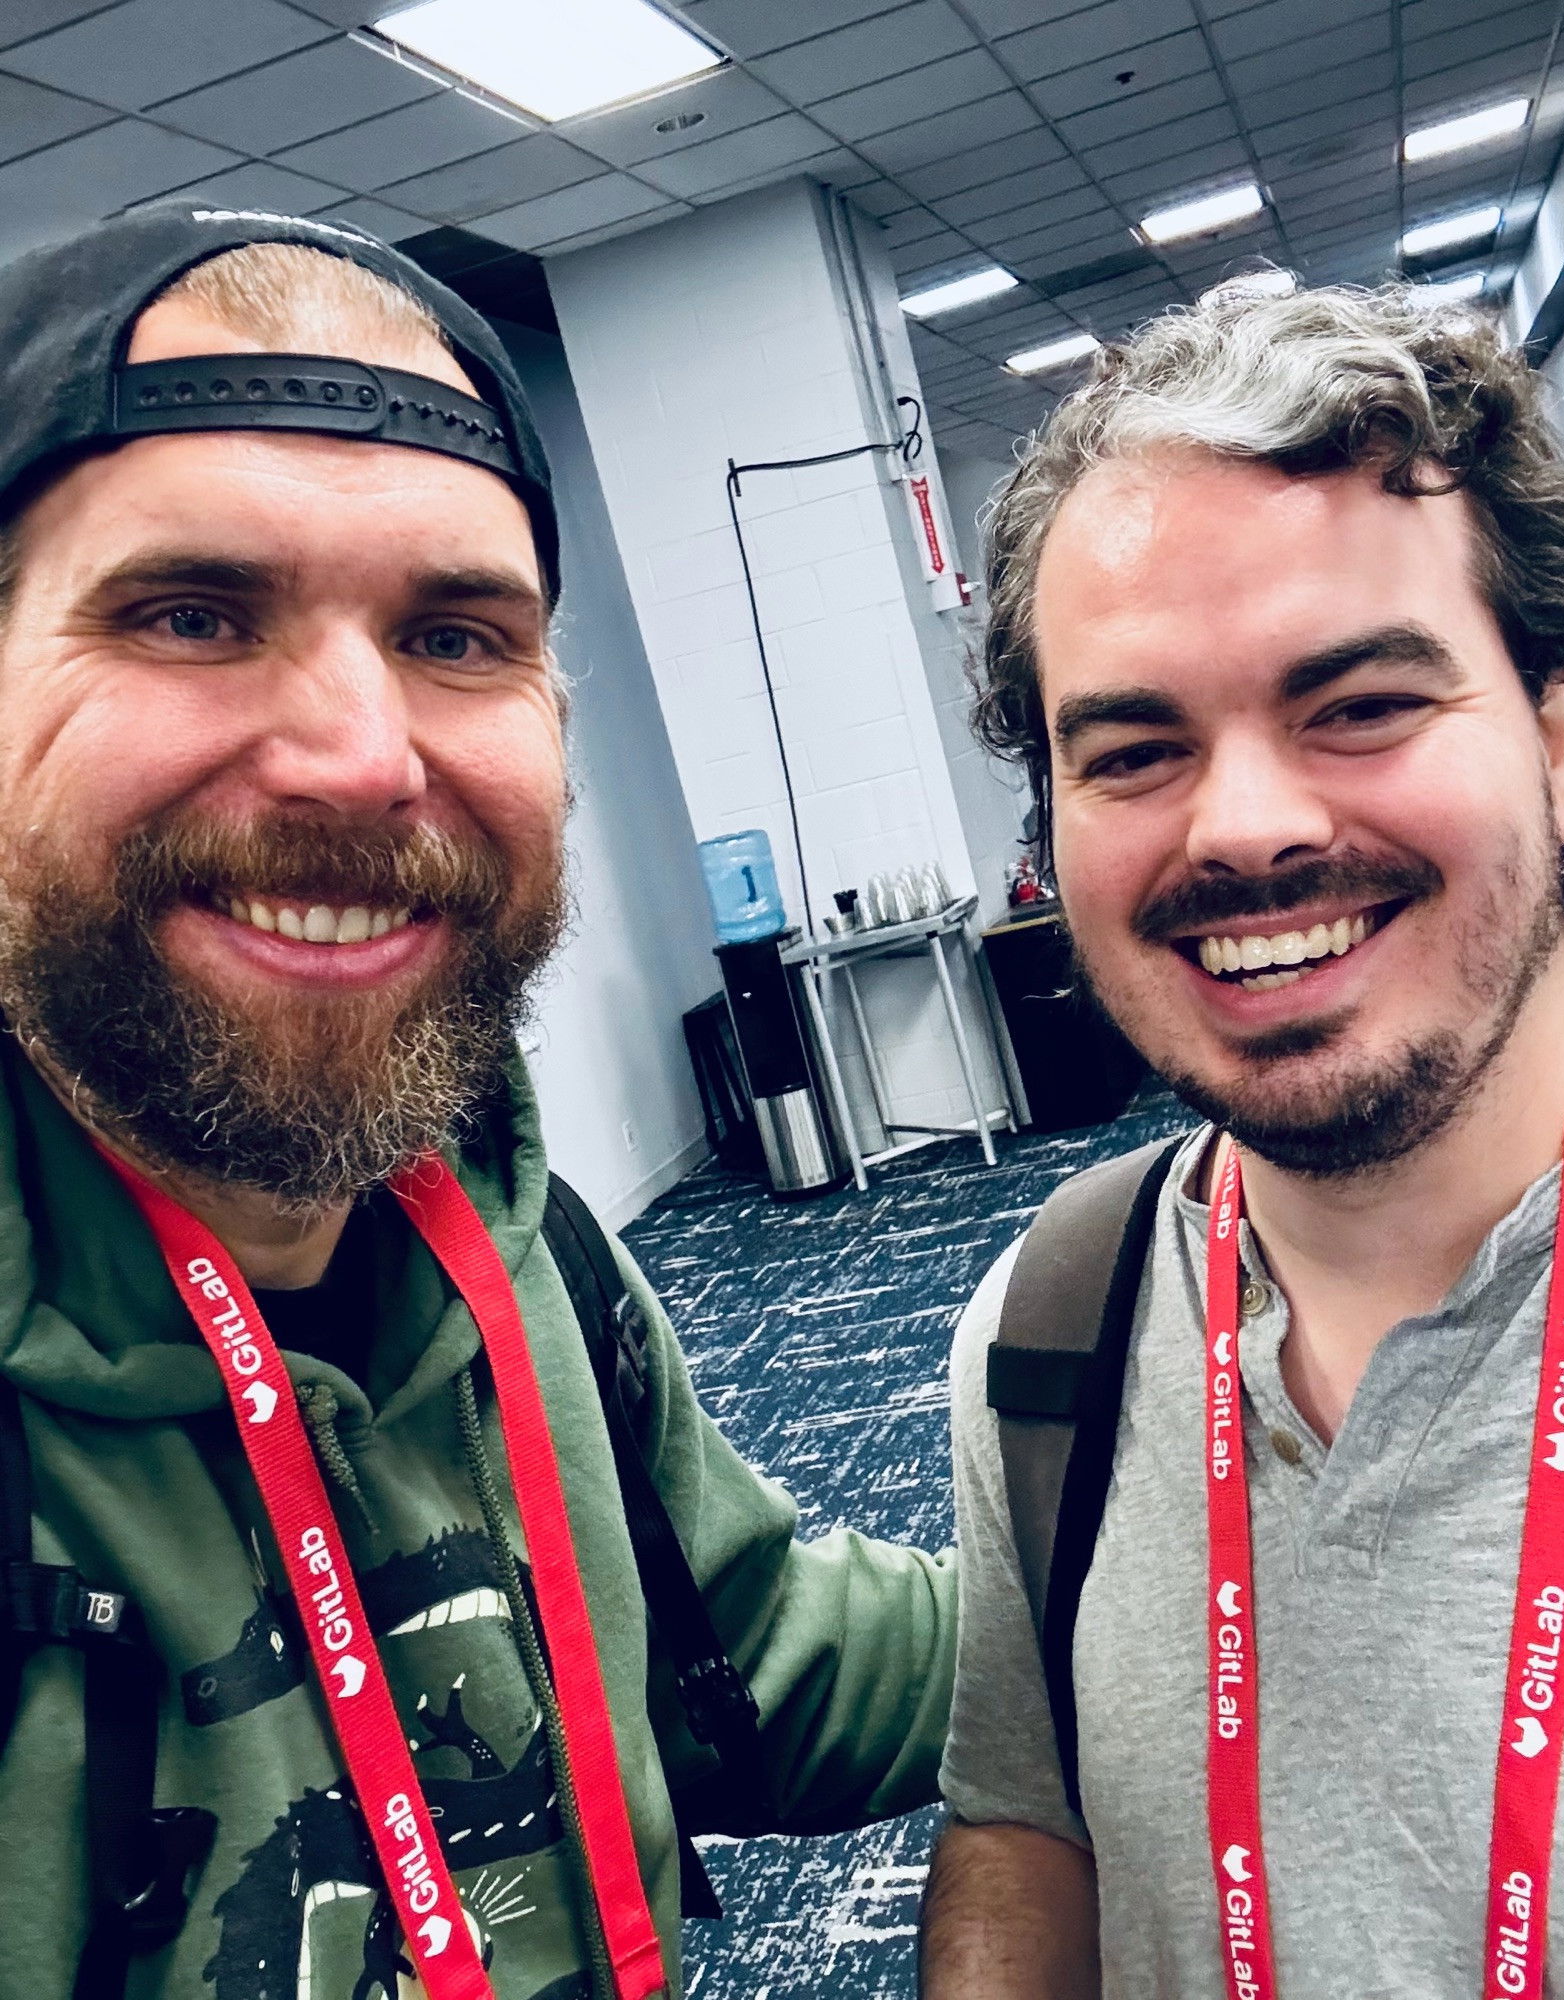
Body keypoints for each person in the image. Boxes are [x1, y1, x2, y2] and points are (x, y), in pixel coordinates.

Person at [0, 203, 955, 2000]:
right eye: (193, 613)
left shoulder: (505, 1243)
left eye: (456, 637)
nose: (365, 757)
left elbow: (743, 1664)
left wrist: (1227, 1554)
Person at [919, 282, 1564, 1998]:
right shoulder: (1048, 1325)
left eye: (1360, 704)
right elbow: (1027, 1821)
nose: (1246, 828)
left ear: (1559, 732)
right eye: (1136, 747)